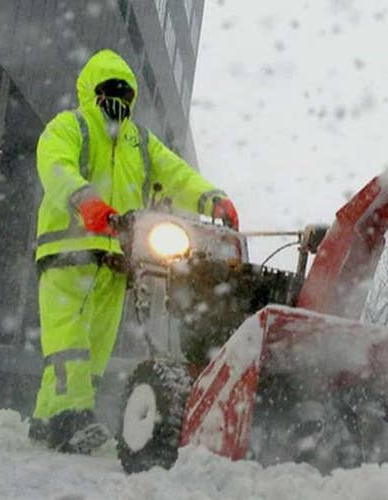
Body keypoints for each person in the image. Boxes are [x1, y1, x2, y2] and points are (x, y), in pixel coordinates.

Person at [29, 49, 238, 453]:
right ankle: (69, 417)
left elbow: (176, 173)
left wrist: (212, 198)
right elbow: (55, 166)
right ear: (91, 91)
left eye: (125, 94)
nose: (118, 101)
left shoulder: (138, 140)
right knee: (69, 341)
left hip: (116, 260)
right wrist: (86, 202)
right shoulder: (70, 126)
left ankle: (46, 418)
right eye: (110, 91)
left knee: (92, 348)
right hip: (67, 252)